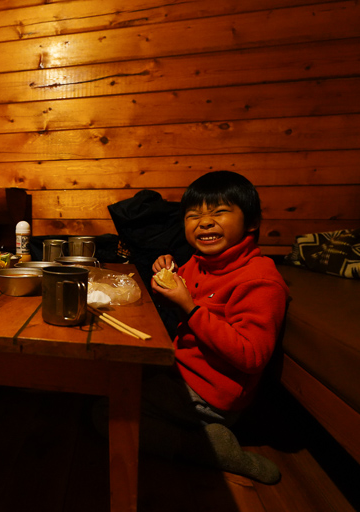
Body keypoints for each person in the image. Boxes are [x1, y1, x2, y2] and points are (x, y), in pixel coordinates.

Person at [94, 170, 289, 484]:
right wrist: (166, 272)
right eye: (193, 215)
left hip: (212, 394)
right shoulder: (200, 261)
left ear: (251, 222)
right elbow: (182, 291)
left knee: (106, 414)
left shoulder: (261, 280)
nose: (205, 221)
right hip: (179, 369)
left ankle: (207, 446)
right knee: (108, 378)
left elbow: (252, 355)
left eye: (219, 212)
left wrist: (189, 306)